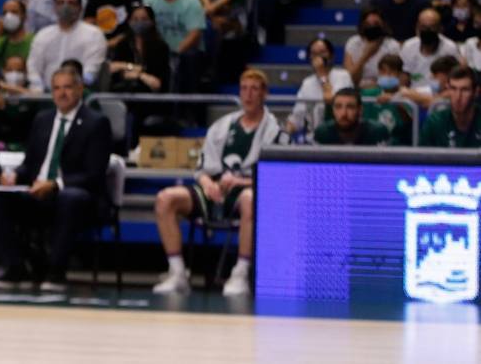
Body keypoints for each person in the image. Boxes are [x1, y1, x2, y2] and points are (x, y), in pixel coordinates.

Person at [152, 70, 283, 297]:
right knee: (166, 198)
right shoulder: (222, 126)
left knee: (250, 199)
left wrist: (240, 181)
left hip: (248, 191)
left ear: (265, 94)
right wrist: (206, 183)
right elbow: (202, 169)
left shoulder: (276, 131)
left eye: (254, 89)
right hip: (214, 189)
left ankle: (240, 273)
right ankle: (178, 273)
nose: (248, 95)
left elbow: (275, 177)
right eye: (244, 88)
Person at [0, 65, 112, 290]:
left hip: (76, 196)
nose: (62, 93)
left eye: (68, 87)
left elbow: (94, 174)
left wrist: (55, 185)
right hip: (36, 191)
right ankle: (14, 266)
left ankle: (56, 271)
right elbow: (30, 165)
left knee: (69, 198)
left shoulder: (96, 122)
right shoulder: (42, 119)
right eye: (56, 88)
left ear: (80, 89)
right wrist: (13, 176)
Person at [26, 0, 106, 90]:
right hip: (45, 95)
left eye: (71, 3)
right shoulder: (43, 35)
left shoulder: (93, 34)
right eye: (61, 2)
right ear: (54, 7)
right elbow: (33, 67)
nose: (65, 6)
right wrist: (38, 86)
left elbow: (91, 72)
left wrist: (72, 88)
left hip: (80, 93)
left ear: (80, 8)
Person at [285, 37, 353, 137]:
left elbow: (330, 99)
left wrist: (321, 73)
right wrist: (285, 133)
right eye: (314, 54)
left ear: (331, 56)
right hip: (314, 136)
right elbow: (297, 116)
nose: (318, 57)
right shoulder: (307, 83)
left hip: (340, 135)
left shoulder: (343, 76)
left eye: (322, 52)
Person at [420, 66, 481, 147]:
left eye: (465, 90)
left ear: (476, 92)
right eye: (453, 89)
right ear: (447, 90)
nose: (458, 96)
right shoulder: (435, 122)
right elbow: (421, 157)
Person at [312, 88, 391, 146]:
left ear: (360, 110)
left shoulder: (377, 132)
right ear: (333, 110)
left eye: (350, 107)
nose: (344, 113)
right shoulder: (322, 133)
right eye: (338, 107)